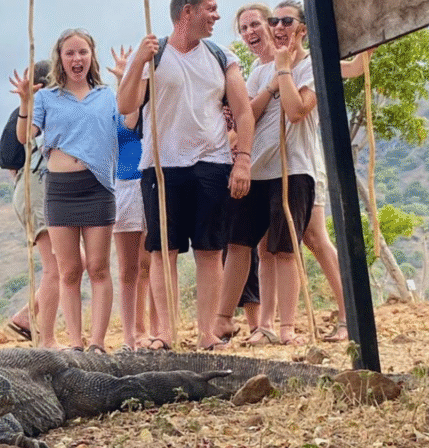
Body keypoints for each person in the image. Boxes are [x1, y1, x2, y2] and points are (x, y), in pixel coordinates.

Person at [118, 0, 255, 351]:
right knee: (163, 251)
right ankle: (166, 333)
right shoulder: (153, 54)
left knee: (209, 250)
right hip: (160, 166)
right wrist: (138, 62)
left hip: (212, 162)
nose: (217, 15)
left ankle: (207, 334)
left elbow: (243, 112)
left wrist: (243, 160)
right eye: (210, 8)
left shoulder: (222, 57)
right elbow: (126, 106)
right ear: (187, 11)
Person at [10, 28, 122, 353]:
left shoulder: (106, 95)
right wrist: (25, 102)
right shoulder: (47, 98)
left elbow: (127, 125)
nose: (77, 58)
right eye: (70, 52)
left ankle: (97, 342)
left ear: (91, 56)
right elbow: (25, 136)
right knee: (69, 270)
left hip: (98, 187)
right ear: (60, 58)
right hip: (60, 190)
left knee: (98, 267)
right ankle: (75, 342)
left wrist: (126, 79)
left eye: (82, 52)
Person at [217, 0, 318, 346]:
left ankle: (286, 328)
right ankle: (233, 322)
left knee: (284, 249)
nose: (279, 27)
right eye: (275, 21)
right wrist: (272, 83)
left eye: (286, 21)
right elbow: (248, 115)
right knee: (240, 243)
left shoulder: (309, 65)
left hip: (292, 169)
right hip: (257, 170)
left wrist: (285, 71)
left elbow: (296, 111)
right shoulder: (259, 71)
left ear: (302, 29)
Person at [0, 60, 61, 349]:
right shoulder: (33, 113)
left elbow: (7, 161)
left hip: (35, 188)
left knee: (75, 262)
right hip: (36, 188)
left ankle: (26, 316)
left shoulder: (32, 112)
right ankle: (48, 338)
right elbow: (10, 158)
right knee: (55, 266)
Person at [107, 46, 150, 351]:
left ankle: (151, 330)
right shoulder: (116, 107)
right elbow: (129, 120)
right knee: (128, 268)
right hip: (125, 185)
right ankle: (130, 334)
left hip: (152, 180)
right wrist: (125, 79)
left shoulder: (156, 102)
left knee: (151, 262)